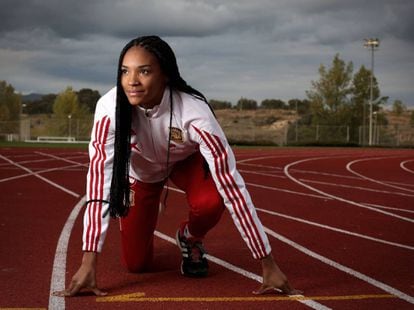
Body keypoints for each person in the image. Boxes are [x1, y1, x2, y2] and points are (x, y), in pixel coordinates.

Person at [53, 35, 301, 297]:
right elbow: (99, 184)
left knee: (211, 201)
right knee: (136, 265)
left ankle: (189, 236)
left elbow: (232, 187)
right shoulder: (109, 109)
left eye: (144, 71)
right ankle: (147, 208)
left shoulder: (195, 112)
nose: (132, 81)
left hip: (184, 162)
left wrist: (267, 261)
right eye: (125, 71)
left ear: (166, 75)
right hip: (142, 172)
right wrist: (88, 262)